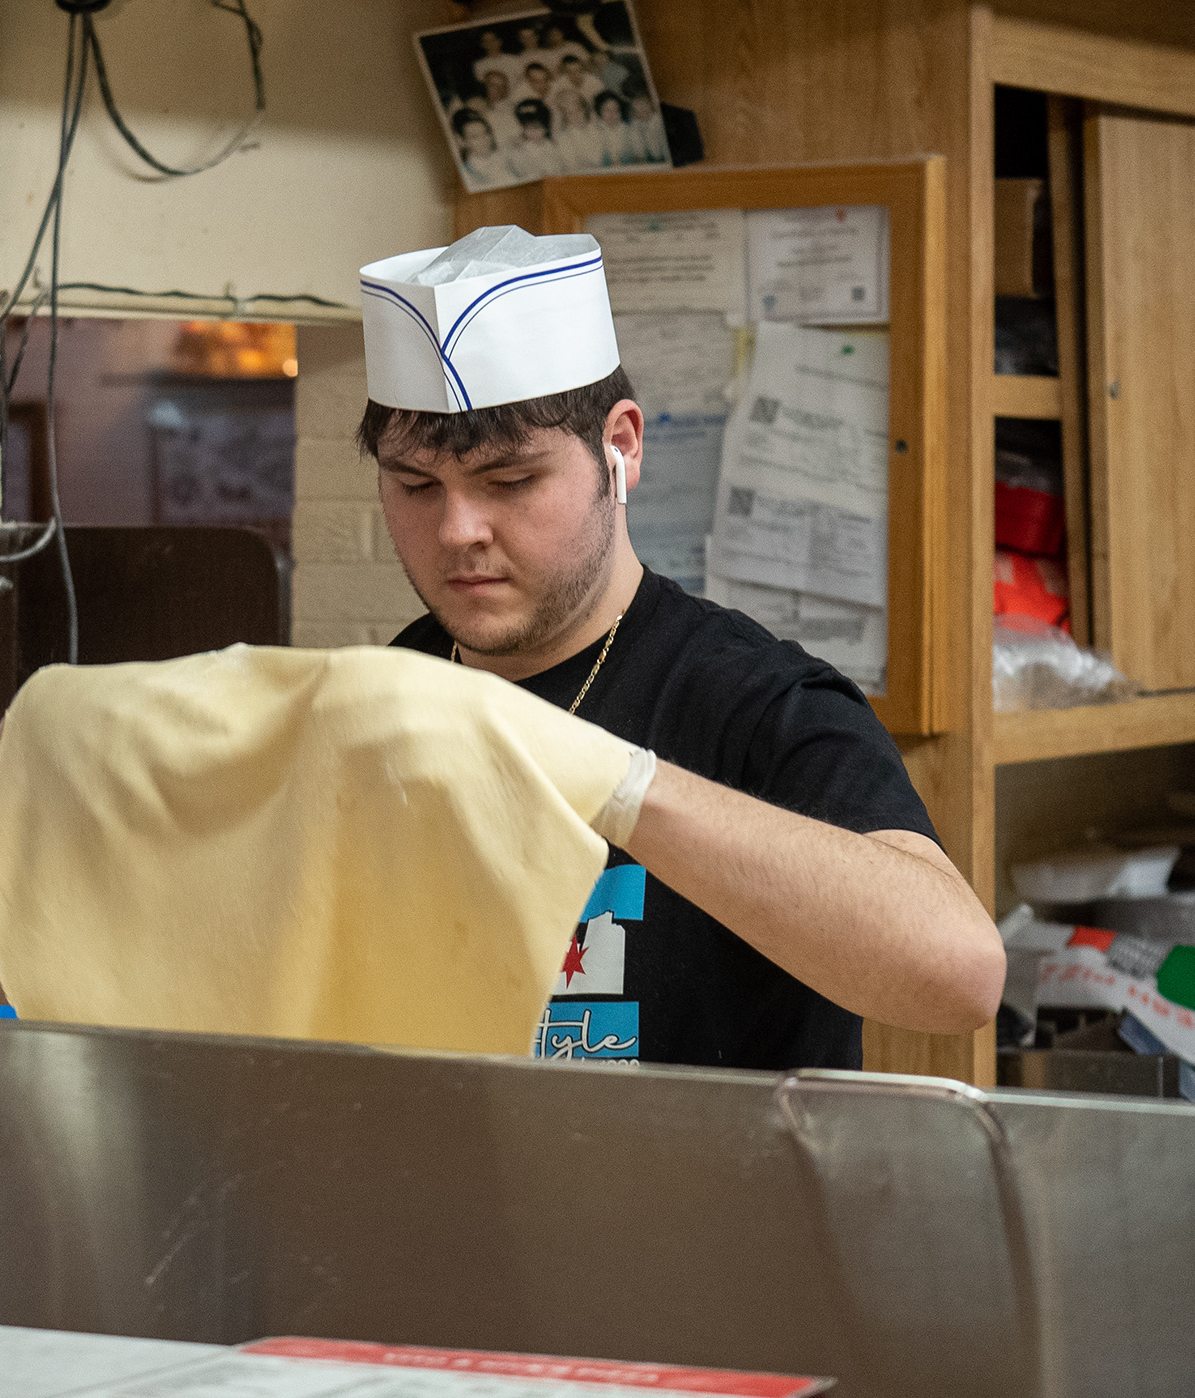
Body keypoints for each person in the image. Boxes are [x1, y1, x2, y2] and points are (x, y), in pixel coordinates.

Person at [352, 227, 1004, 1069]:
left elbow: (960, 979)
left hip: (709, 1199)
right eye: (415, 485)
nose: (458, 530)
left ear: (620, 447)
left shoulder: (755, 701)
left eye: (511, 482)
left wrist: (624, 787)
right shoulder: (384, 692)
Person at [450, 108, 523, 189]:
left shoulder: (505, 156)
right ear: (463, 141)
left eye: (485, 133)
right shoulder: (465, 173)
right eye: (475, 136)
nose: (483, 140)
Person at [554, 86, 607, 171]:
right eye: (570, 113)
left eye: (578, 110)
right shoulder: (564, 137)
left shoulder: (597, 129)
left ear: (584, 109)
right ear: (565, 117)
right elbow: (571, 164)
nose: (576, 116)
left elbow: (603, 156)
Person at [511, 99, 562, 179]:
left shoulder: (551, 145)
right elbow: (520, 170)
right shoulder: (522, 149)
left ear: (545, 128)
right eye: (528, 128)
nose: (533, 132)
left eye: (537, 128)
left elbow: (559, 166)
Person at [593, 90, 643, 166]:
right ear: (599, 112)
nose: (612, 114)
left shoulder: (630, 131)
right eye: (607, 110)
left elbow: (641, 158)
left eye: (616, 110)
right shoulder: (596, 133)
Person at [629, 91, 669, 163]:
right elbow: (638, 152)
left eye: (645, 102)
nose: (642, 106)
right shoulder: (634, 125)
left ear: (651, 103)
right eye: (637, 103)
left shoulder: (659, 120)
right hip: (649, 162)